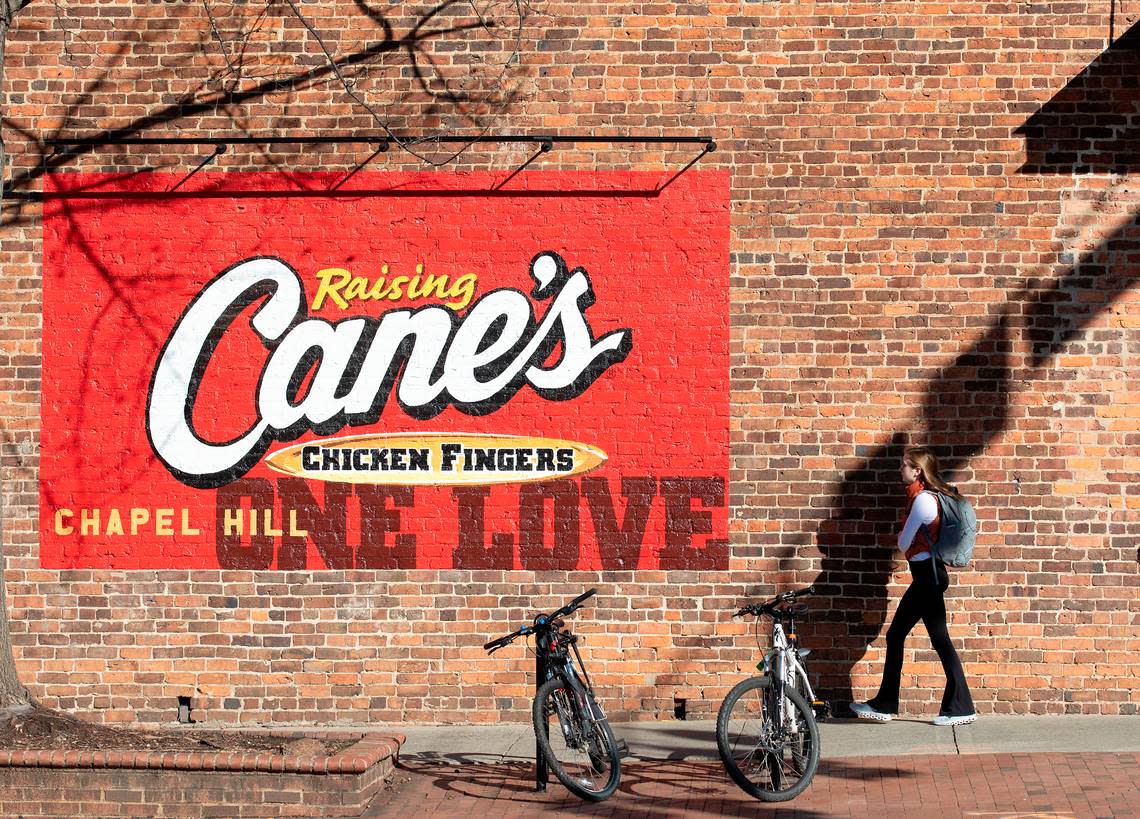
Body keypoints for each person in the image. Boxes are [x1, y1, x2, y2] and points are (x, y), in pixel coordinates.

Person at [850, 446, 976, 726]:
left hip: (927, 577)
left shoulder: (922, 501)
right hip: (929, 576)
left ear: (917, 470)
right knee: (935, 639)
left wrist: (902, 534)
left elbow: (903, 543)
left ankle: (890, 705)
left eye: (904, 465)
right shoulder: (926, 498)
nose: (900, 470)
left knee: (899, 636)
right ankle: (959, 705)